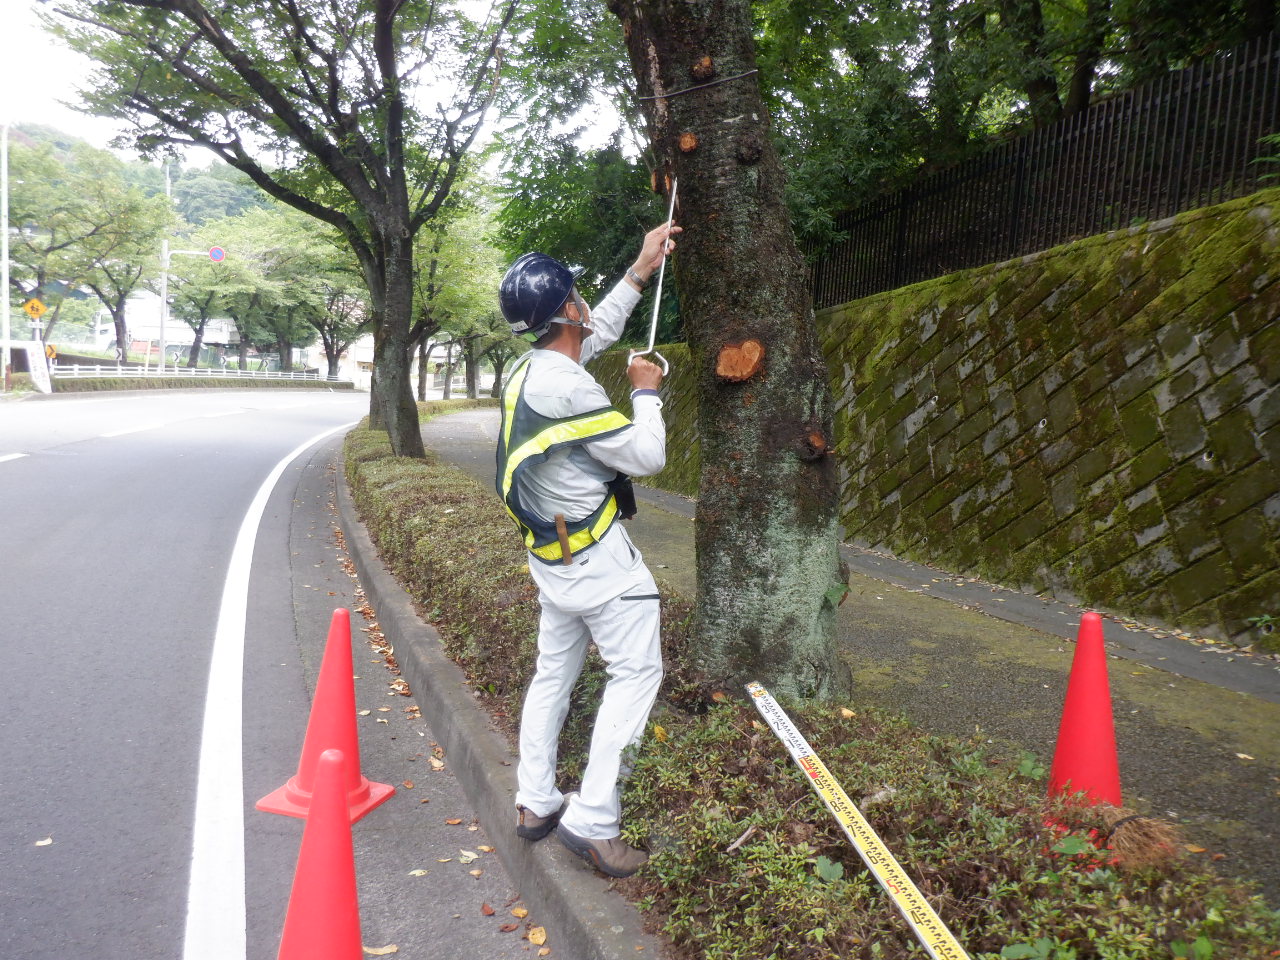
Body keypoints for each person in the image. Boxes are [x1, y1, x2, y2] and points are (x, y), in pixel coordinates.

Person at [495, 221, 680, 878]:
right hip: (600, 562)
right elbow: (647, 457)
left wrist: (640, 269)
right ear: (566, 311)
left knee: (553, 675)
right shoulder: (570, 388)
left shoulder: (527, 369)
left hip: (552, 557)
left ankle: (536, 801)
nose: (583, 302)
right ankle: (595, 823)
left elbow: (590, 336)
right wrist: (646, 391)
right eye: (576, 295)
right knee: (637, 674)